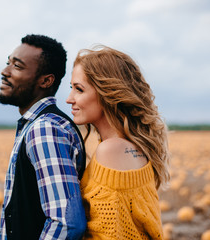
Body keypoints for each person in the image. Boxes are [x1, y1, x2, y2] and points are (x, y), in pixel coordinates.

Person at [66, 45, 170, 239]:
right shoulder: (134, 146)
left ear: (108, 92)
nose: (69, 99)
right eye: (71, 88)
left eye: (79, 89)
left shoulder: (111, 150)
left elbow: (109, 234)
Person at [0, 34, 87, 240]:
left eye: (17, 66)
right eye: (7, 63)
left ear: (46, 81)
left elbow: (65, 223)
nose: (4, 72)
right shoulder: (35, 125)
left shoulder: (45, 129)